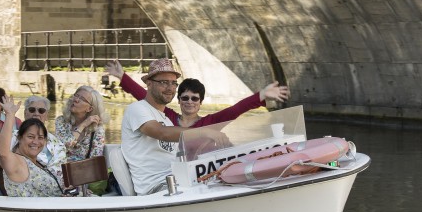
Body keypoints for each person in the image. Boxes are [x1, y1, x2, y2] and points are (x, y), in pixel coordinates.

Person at [119, 58, 228, 195]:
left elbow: (178, 155)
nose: (170, 88)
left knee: (227, 178)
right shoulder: (137, 109)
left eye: (173, 83)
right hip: (156, 188)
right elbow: (161, 133)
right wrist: (204, 132)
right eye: (164, 82)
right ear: (149, 84)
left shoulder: (166, 120)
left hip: (177, 181)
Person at [107, 59, 289, 128]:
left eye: (195, 98)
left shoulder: (210, 122)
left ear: (200, 102)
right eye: (185, 98)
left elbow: (236, 109)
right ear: (179, 100)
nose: (190, 102)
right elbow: (145, 96)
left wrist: (261, 95)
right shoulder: (168, 116)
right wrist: (123, 77)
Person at [0, 100, 63, 197]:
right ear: (19, 138)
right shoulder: (17, 162)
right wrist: (10, 115)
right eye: (31, 137)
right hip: (32, 207)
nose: (35, 142)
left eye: (40, 138)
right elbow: (2, 153)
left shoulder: (39, 162)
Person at [53, 85, 105, 162]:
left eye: (82, 99)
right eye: (76, 96)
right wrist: (82, 125)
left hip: (84, 168)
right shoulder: (61, 121)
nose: (76, 100)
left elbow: (96, 160)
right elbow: (60, 148)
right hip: (59, 167)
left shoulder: (97, 130)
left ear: (89, 109)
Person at [21, 95, 66, 167]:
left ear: (47, 116)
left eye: (41, 111)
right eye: (32, 110)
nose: (36, 113)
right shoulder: (12, 137)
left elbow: (59, 169)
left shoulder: (57, 144)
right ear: (25, 113)